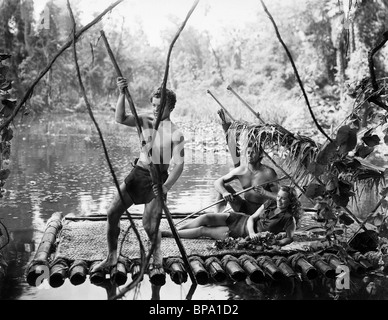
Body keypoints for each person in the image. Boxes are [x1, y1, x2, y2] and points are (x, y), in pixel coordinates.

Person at [92, 77, 185, 273]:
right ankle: (111, 256)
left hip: (157, 181)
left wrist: (165, 187)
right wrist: (122, 94)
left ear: (170, 107)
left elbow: (179, 165)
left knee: (149, 226)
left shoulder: (176, 133)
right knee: (112, 212)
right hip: (138, 173)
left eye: (160, 106)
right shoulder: (146, 121)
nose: (155, 110)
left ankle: (157, 254)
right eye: (153, 105)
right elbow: (120, 118)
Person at [163, 186, 302, 246]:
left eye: (283, 199)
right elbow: (252, 218)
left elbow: (290, 238)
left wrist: (276, 242)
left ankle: (170, 234)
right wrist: (253, 231)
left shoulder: (289, 218)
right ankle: (177, 230)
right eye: (278, 196)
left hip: (241, 233)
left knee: (203, 230)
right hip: (242, 220)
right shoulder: (270, 203)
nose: (279, 200)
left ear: (291, 201)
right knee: (207, 218)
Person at [214, 143, 279, 215]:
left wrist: (264, 192)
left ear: (260, 154)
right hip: (244, 207)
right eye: (248, 152)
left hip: (262, 210)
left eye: (253, 152)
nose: (249, 155)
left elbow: (279, 197)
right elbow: (217, 182)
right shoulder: (241, 170)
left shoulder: (269, 173)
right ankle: (216, 214)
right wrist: (224, 192)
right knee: (225, 186)